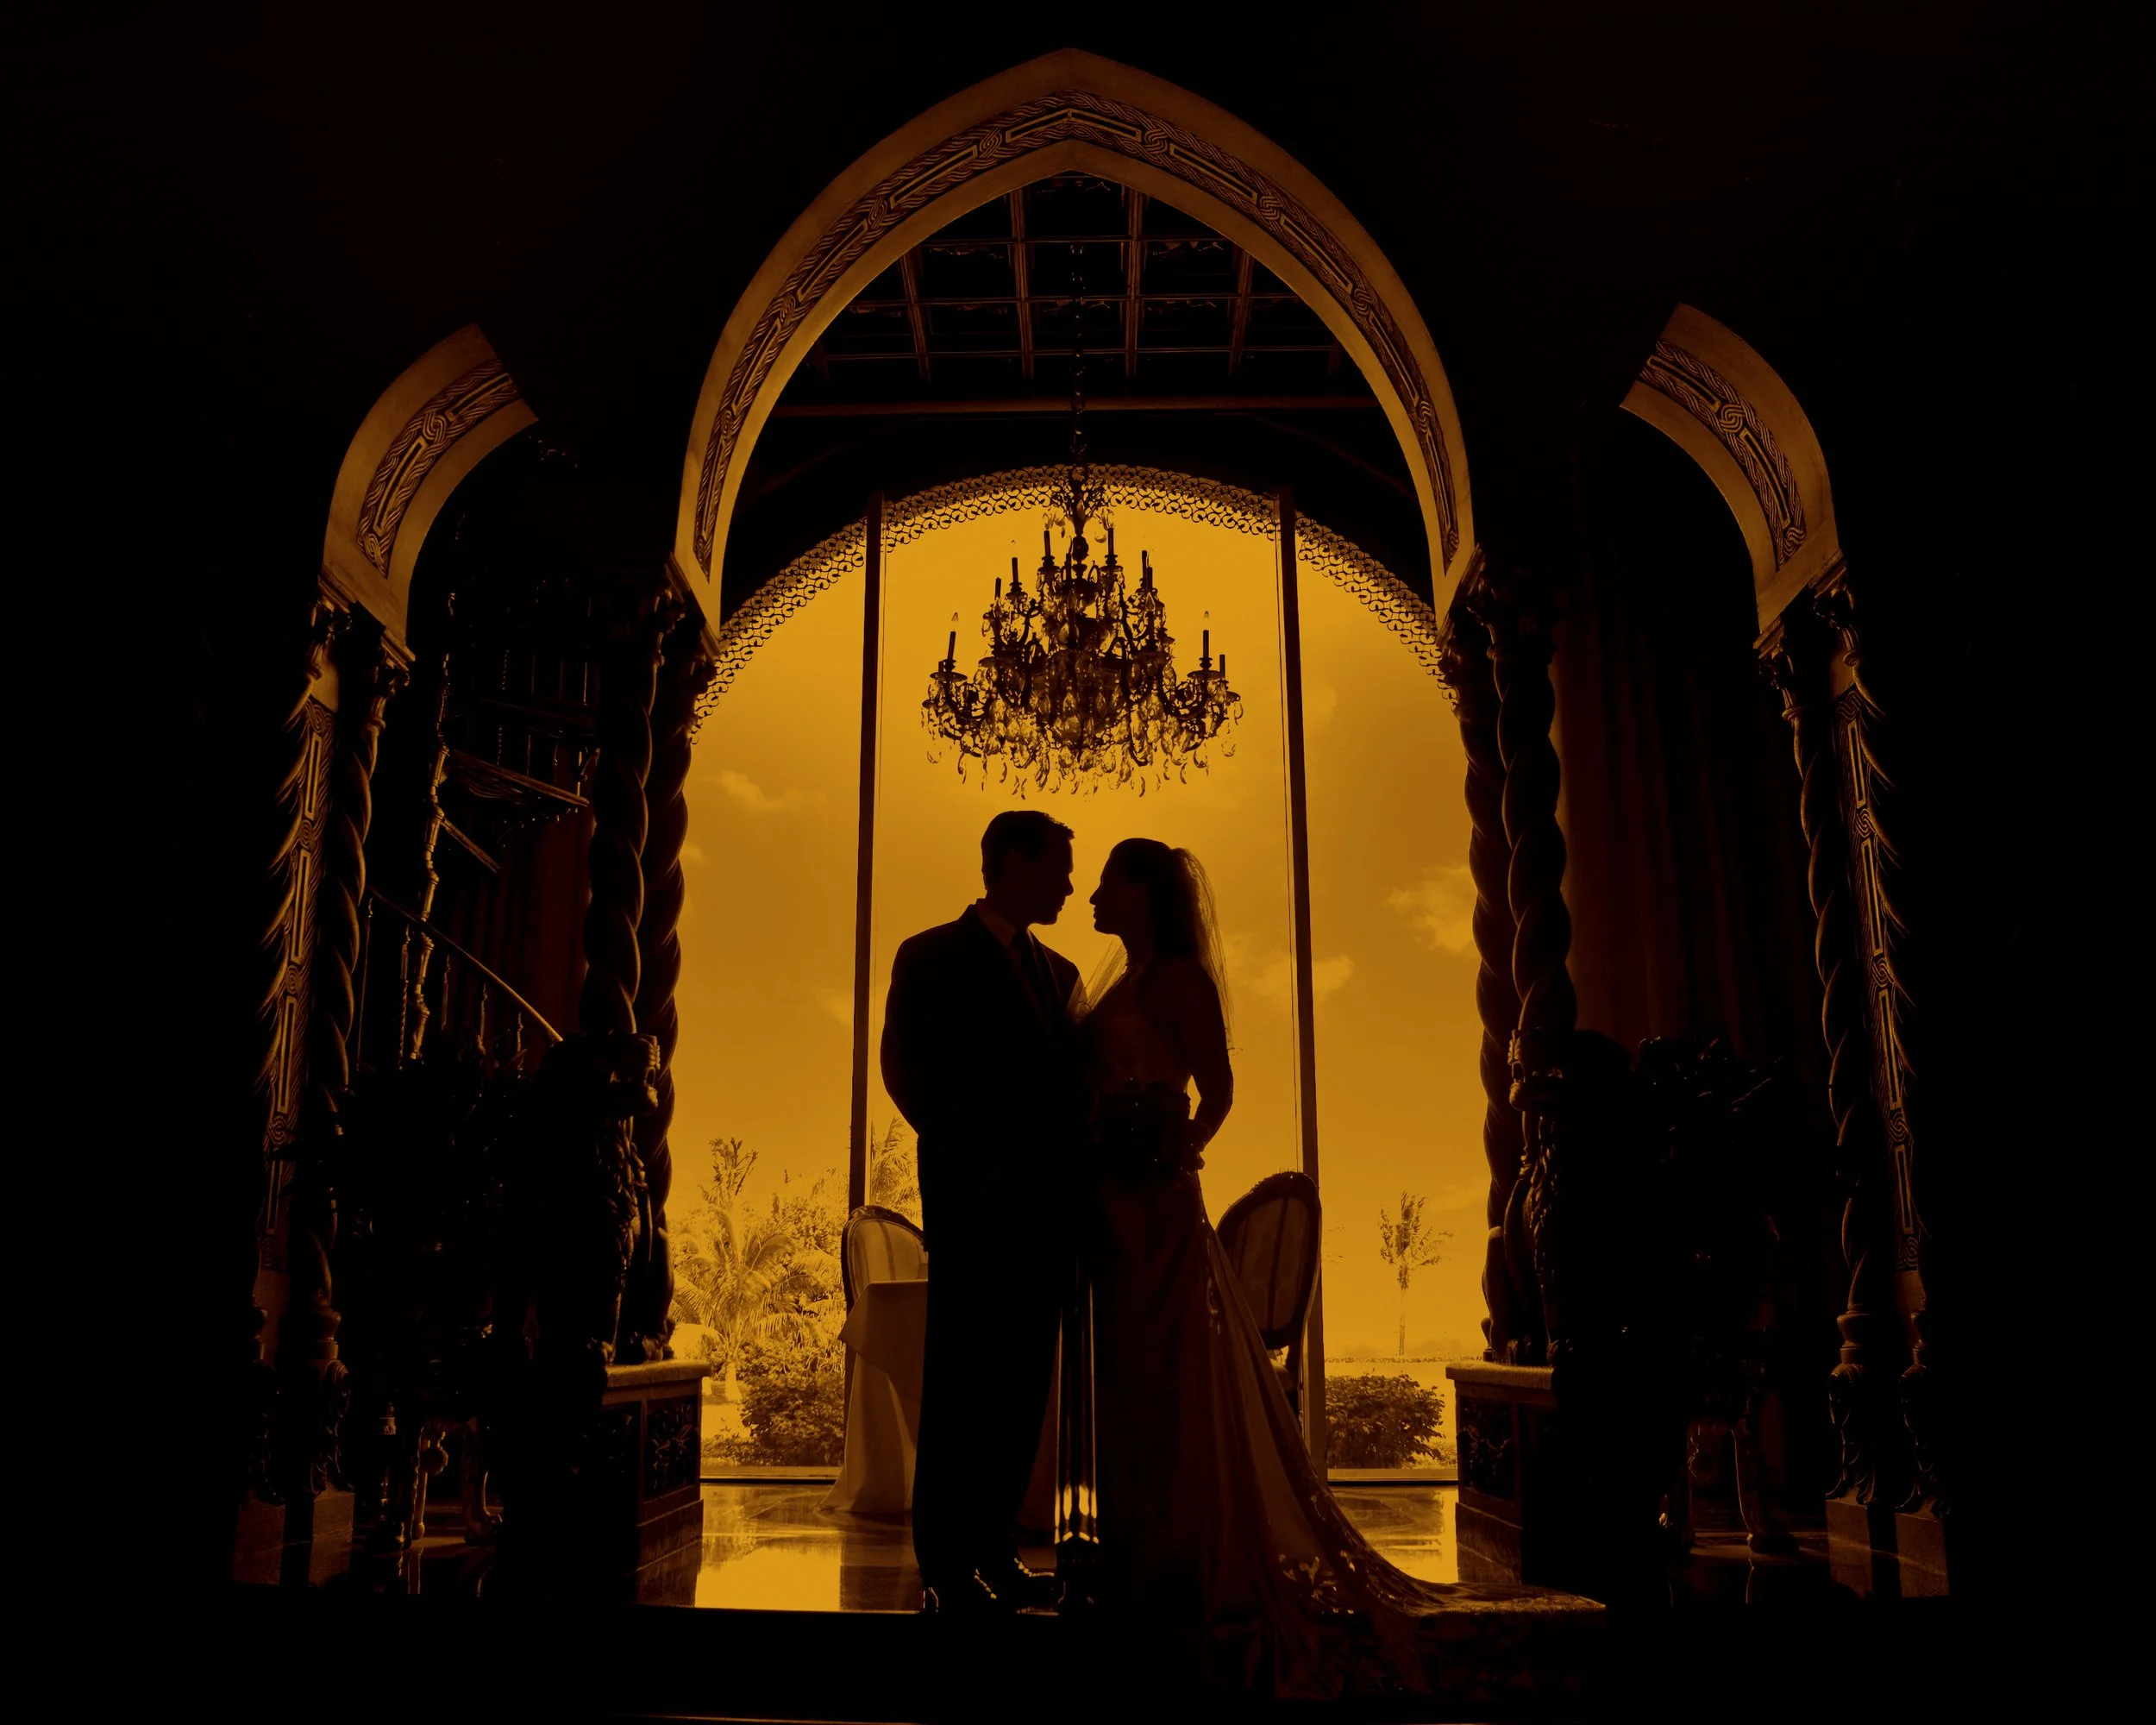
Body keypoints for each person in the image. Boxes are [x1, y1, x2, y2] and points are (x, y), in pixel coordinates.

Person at [1081, 837, 1520, 1697]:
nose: (1094, 895)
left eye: (1109, 881)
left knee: (1169, 1382)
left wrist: (1175, 1152)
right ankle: (1136, 1556)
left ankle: (1188, 1559)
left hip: (1161, 1211)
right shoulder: (1109, 987)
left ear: (1144, 894)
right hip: (1106, 1205)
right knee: (1124, 1382)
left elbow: (1219, 1088)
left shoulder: (1178, 981)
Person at [880, 809, 1082, 1614]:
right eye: (1060, 866)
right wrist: (979, 1164)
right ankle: (944, 1559)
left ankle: (994, 1549)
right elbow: (907, 1070)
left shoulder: (1063, 974)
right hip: (972, 1204)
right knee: (962, 1382)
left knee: (1020, 1388)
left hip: (1046, 1215)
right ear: (1011, 863)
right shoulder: (929, 956)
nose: (1070, 883)